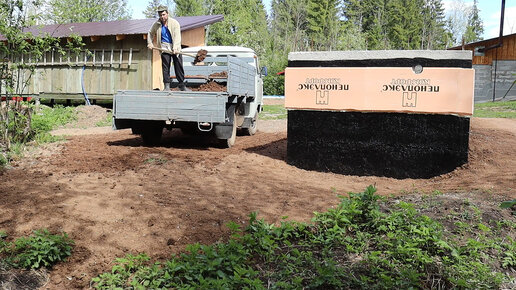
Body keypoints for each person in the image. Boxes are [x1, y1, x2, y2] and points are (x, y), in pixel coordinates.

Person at [147, 6, 188, 91]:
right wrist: (150, 43)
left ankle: (181, 84)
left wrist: (176, 47)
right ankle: (166, 86)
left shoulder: (174, 23)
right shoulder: (157, 24)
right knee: (165, 66)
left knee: (178, 65)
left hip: (174, 46)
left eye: (163, 14)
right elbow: (150, 33)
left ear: (167, 13)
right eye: (160, 15)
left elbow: (177, 36)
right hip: (164, 47)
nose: (162, 17)